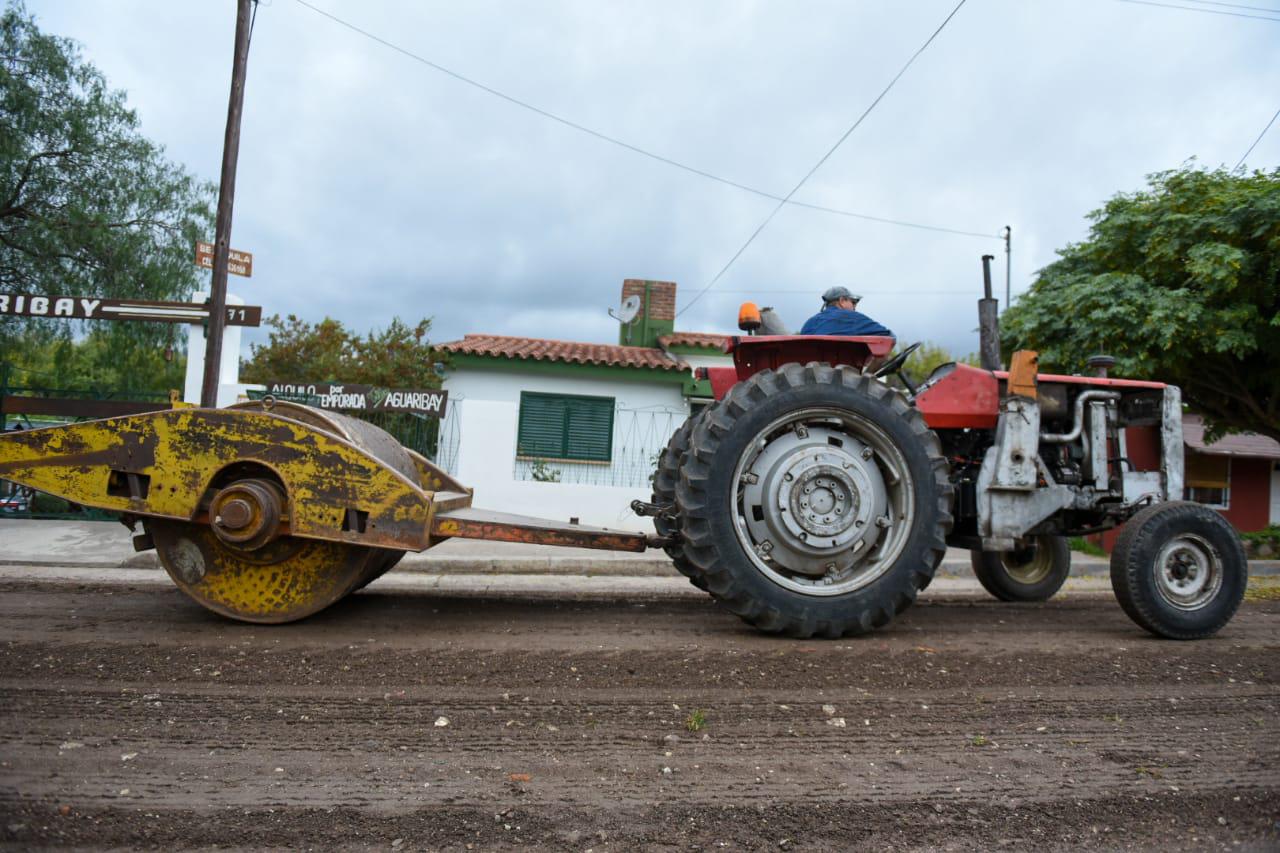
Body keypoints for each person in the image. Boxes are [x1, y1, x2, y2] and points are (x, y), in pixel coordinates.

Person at [799, 286, 893, 338]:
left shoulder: (809, 323)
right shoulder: (852, 318)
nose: (854, 307)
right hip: (842, 371)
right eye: (853, 302)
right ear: (842, 301)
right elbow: (888, 336)